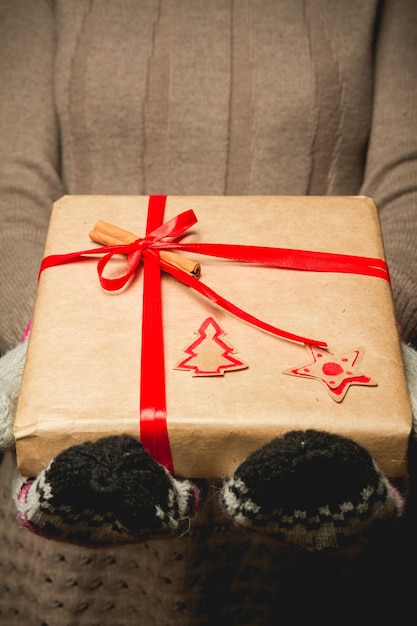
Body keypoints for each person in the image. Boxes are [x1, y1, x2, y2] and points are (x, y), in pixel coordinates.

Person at [1, 1, 417, 623]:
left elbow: (407, 181)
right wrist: (48, 343)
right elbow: (14, 180)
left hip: (314, 399)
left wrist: (375, 326)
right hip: (85, 375)